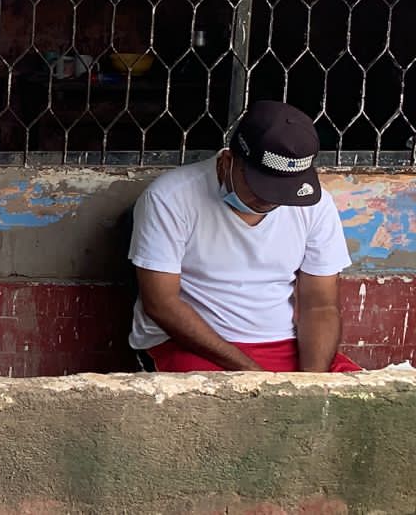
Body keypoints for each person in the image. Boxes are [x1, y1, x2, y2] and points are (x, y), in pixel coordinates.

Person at [129, 100, 360, 373]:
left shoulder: (315, 206)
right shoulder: (170, 198)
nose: (270, 201)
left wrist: (312, 386)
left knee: (363, 403)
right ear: (228, 161)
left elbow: (319, 305)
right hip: (195, 346)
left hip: (284, 346)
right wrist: (251, 375)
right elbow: (162, 304)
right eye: (260, 188)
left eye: (282, 193)